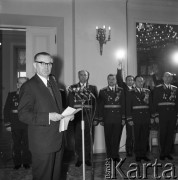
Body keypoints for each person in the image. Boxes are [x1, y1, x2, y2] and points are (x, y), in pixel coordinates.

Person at [18, 52, 73, 180]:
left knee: (56, 176)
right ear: (34, 65)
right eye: (42, 63)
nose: (46, 66)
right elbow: (23, 114)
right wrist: (48, 116)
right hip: (42, 143)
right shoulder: (29, 86)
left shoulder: (53, 84)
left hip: (58, 140)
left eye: (49, 63)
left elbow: (56, 108)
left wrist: (66, 115)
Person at [68, 70, 98, 167]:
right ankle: (80, 158)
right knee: (78, 138)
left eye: (85, 75)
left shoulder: (92, 88)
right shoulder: (72, 88)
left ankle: (87, 158)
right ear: (78, 76)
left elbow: (95, 104)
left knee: (88, 137)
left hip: (88, 115)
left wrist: (95, 117)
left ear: (88, 76)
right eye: (81, 75)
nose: (83, 76)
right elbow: (70, 102)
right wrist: (70, 115)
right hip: (76, 115)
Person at [3, 77, 31, 170]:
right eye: (20, 83)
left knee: (27, 144)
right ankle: (17, 162)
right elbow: (6, 110)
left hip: (27, 124)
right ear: (17, 84)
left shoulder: (31, 95)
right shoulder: (11, 95)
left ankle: (26, 162)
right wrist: (7, 124)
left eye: (24, 83)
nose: (22, 85)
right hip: (15, 124)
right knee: (16, 144)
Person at [98, 74, 125, 161]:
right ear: (107, 80)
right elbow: (100, 105)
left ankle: (115, 155)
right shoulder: (102, 91)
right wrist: (101, 118)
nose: (111, 80)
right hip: (107, 117)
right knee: (108, 137)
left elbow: (123, 105)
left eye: (113, 79)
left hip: (118, 117)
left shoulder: (121, 90)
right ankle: (109, 155)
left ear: (116, 80)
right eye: (109, 79)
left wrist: (123, 118)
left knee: (116, 137)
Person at [126, 75, 153, 162]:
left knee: (145, 137)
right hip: (135, 118)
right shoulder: (130, 92)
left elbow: (150, 105)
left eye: (142, 81)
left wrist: (152, 116)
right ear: (134, 82)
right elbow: (128, 107)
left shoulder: (147, 91)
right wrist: (129, 118)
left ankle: (143, 154)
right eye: (138, 81)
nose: (140, 83)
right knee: (137, 137)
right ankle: (138, 155)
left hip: (145, 117)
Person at [153, 72, 178, 161]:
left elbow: (177, 104)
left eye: (169, 77)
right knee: (162, 134)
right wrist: (155, 115)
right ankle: (162, 153)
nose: (168, 78)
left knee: (170, 135)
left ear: (171, 79)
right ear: (163, 78)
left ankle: (167, 153)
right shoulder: (158, 88)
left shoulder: (175, 89)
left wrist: (177, 117)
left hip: (172, 115)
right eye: (166, 76)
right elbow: (154, 102)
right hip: (161, 115)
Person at [116, 62, 135, 157]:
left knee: (130, 134)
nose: (130, 81)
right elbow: (119, 79)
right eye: (128, 80)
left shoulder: (136, 89)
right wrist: (119, 69)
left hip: (132, 115)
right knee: (117, 133)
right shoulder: (123, 87)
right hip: (122, 115)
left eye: (132, 80)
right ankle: (114, 152)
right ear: (126, 81)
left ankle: (129, 151)